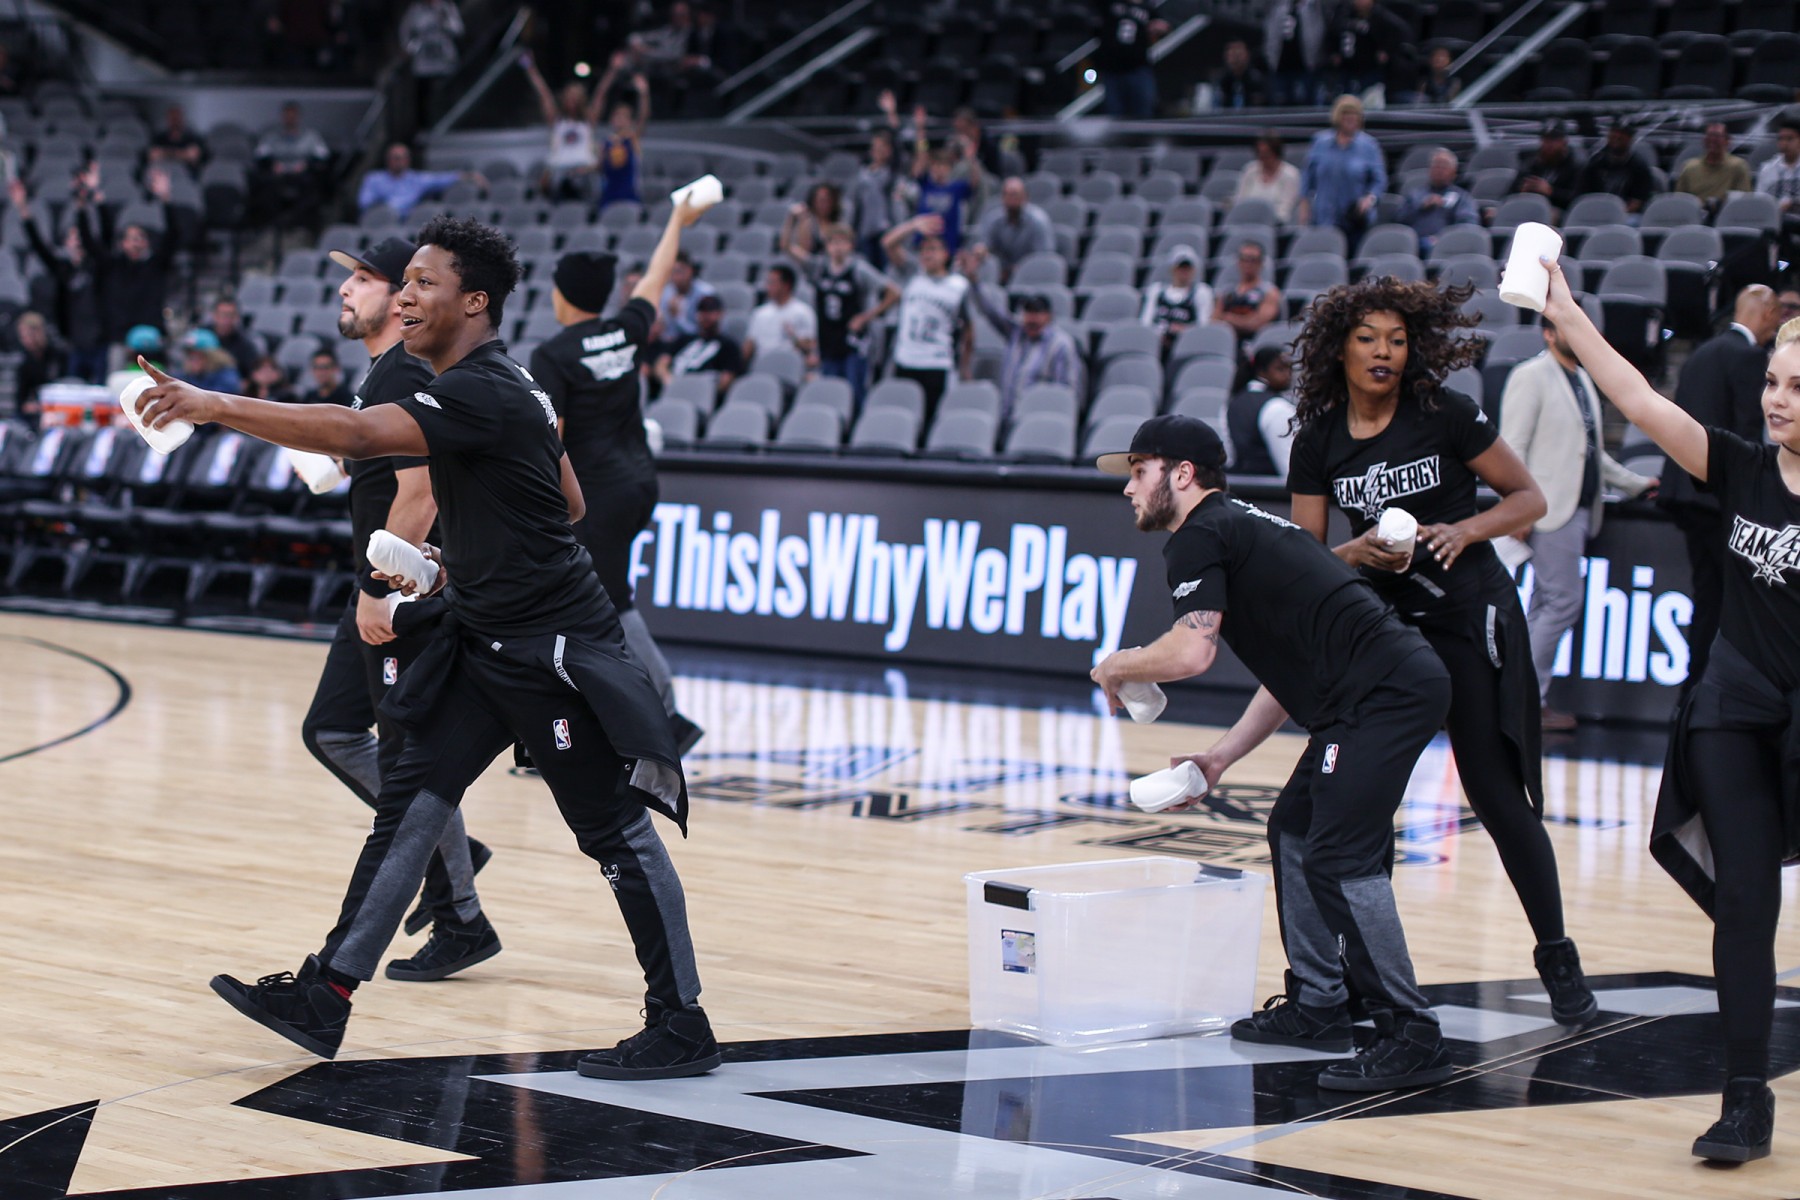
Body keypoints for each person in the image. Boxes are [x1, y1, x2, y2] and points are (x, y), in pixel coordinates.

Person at [136, 208, 718, 1079]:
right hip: (485, 638)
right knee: (409, 803)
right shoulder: (512, 385)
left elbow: (357, 434)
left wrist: (214, 404)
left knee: (613, 832)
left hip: (552, 652)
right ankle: (326, 992)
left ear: (474, 301)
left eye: (422, 283)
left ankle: (680, 1021)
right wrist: (458, 560)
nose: (405, 297)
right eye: (401, 282)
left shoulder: (482, 390)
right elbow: (566, 504)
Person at [1091, 414, 1457, 1090]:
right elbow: (1289, 674)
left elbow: (1191, 652)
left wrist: (1117, 665)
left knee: (1338, 856)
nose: (1128, 488)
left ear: (1182, 474)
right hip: (1374, 691)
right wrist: (1220, 757)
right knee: (1293, 829)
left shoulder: (1200, 535)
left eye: (1139, 472)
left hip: (1384, 693)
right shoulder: (1240, 528)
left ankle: (1411, 1030)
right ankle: (1320, 1002)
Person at [1285, 275, 1597, 1032]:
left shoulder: (1445, 413)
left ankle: (1557, 955)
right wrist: (1356, 553)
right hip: (1387, 631)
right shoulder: (1318, 440)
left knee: (1495, 794)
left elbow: (1529, 499)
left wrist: (1467, 529)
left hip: (1470, 616)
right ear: (1339, 350)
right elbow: (1306, 558)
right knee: (1358, 802)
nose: (1384, 352)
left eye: (1397, 340)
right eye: (1368, 339)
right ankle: (1355, 981)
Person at [1537, 254, 1796, 1164]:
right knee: (1746, 903)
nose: (1777, 400)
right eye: (1773, 382)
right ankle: (1745, 1099)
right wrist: (1569, 313)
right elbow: (1641, 402)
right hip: (1734, 708)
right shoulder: (1744, 466)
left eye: (1797, 389)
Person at [301, 235, 496, 978]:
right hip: (381, 588)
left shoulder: (405, 370)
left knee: (399, 763)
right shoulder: (383, 373)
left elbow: (423, 490)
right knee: (334, 731)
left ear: (398, 296)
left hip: (398, 593)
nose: (345, 290)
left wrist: (378, 589)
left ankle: (457, 907)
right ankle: (451, 860)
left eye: (362, 278)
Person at [531, 232, 708, 754]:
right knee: (579, 603)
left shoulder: (553, 354)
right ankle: (582, 725)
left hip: (597, 497)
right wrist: (678, 220)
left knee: (609, 601)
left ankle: (668, 718)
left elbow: (553, 442)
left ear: (563, 293)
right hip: (639, 482)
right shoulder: (623, 331)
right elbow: (654, 281)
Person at [1498, 317, 1658, 730]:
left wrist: (1635, 483)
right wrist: (1515, 505)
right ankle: (1526, 702)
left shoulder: (1583, 379)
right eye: (1567, 327)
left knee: (1546, 605)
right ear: (1548, 333)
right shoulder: (1531, 375)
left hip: (1580, 509)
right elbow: (1512, 448)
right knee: (1563, 601)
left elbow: (1592, 453)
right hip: (1547, 509)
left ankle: (1516, 699)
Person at [1659, 285, 1784, 702]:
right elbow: (1747, 431)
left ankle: (1692, 693)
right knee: (1732, 602)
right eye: (1776, 315)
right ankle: (1712, 693)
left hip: (1685, 491)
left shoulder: (1702, 352)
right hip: (1718, 497)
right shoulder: (1748, 356)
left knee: (1708, 597)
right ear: (1765, 314)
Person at [11, 176, 105, 383]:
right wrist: (23, 208)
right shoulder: (63, 269)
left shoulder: (98, 267)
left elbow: (97, 241)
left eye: (79, 237)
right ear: (66, 243)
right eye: (72, 237)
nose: (77, 241)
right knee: (71, 389)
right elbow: (39, 245)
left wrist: (83, 204)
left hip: (99, 343)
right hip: (74, 344)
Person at [797, 223, 899, 406]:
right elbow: (789, 249)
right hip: (828, 341)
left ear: (851, 245)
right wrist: (794, 219)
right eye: (833, 243)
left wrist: (866, 317)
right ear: (827, 246)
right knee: (830, 392)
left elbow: (894, 293)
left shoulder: (859, 269)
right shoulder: (820, 268)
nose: (837, 247)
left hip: (854, 342)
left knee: (855, 392)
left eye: (842, 242)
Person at [882, 214, 972, 418]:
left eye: (932, 249)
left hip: (936, 362)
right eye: (923, 250)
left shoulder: (959, 285)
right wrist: (913, 226)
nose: (927, 255)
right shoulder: (913, 275)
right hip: (906, 360)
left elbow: (969, 329)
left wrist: (965, 364)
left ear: (945, 254)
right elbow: (888, 244)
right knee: (903, 417)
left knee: (932, 419)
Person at [965, 275, 1085, 420]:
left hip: (1038, 418)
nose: (1031, 318)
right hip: (1008, 416)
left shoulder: (1061, 345)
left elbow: (1066, 391)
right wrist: (974, 282)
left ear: (1048, 316)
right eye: (1028, 312)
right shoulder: (1016, 333)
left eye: (1037, 313)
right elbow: (991, 312)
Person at [92, 167, 178, 348]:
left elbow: (173, 237)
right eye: (131, 238)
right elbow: (101, 240)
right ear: (122, 243)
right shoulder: (113, 266)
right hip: (118, 338)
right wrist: (98, 202)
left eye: (140, 238)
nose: (136, 243)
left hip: (150, 339)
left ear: (147, 243)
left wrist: (166, 200)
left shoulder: (156, 266)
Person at [520, 50, 605, 202]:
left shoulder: (587, 122)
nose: (572, 103)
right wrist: (531, 69)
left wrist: (613, 70)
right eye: (569, 99)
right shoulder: (557, 121)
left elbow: (600, 94)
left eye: (575, 99)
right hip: (560, 170)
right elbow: (544, 95)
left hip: (583, 169)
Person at [1299, 95, 1386, 236]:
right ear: (1337, 116)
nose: (1350, 117)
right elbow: (1307, 177)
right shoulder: (1320, 142)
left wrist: (1369, 199)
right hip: (1324, 218)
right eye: (1345, 113)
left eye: (1354, 114)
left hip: (1354, 221)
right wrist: (1304, 207)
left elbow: (1379, 181)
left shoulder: (1370, 146)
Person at [253, 101, 331, 224]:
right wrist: (272, 165)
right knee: (264, 187)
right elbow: (260, 155)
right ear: (282, 117)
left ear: (298, 117)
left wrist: (307, 165)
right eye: (287, 115)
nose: (290, 118)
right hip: (277, 175)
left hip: (302, 175)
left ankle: (301, 223)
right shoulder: (271, 136)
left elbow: (323, 156)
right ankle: (273, 224)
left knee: (313, 187)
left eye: (293, 115)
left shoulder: (311, 136)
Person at [1226, 346, 1296, 476]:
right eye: (1280, 369)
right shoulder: (1277, 407)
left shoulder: (1233, 402)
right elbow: (1289, 468)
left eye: (1289, 368)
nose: (1288, 374)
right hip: (1270, 486)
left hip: (1241, 484)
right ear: (1262, 371)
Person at [595, 53, 651, 210]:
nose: (619, 120)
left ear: (630, 121)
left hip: (629, 193)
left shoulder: (632, 139)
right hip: (609, 194)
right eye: (616, 116)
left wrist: (644, 94)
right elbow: (600, 167)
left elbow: (643, 117)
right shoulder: (605, 143)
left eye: (623, 117)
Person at [972, 177, 1053, 286]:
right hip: (1002, 273)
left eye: (1015, 194)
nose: (1011, 199)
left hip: (1030, 275)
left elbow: (1043, 257)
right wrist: (980, 251)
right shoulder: (994, 219)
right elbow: (984, 245)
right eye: (1007, 195)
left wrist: (1021, 269)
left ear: (1025, 197)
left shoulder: (1038, 221)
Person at [1398, 148, 1480, 255]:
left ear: (1454, 172)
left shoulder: (1461, 197)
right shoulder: (1415, 194)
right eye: (1436, 165)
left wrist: (1443, 238)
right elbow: (1399, 219)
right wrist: (1421, 206)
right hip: (1414, 242)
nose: (1439, 170)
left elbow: (1468, 224)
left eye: (1444, 166)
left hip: (1446, 245)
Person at [357, 143, 471, 220]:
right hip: (381, 218)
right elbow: (364, 202)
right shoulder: (374, 178)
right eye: (396, 158)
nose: (399, 161)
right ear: (388, 160)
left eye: (403, 158)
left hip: (404, 221)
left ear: (408, 160)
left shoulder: (417, 179)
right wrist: (384, 204)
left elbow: (440, 179)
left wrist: (467, 176)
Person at [654, 293, 743, 392]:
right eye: (702, 311)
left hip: (702, 393)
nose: (705, 316)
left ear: (720, 314)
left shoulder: (729, 345)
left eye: (710, 311)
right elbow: (661, 364)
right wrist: (668, 380)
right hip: (673, 388)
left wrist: (701, 392)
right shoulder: (684, 339)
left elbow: (726, 380)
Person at [1093, 0, 1166, 118]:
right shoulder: (1110, 4)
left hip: (1138, 67)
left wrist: (1159, 28)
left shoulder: (1147, 9)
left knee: (1144, 111)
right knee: (1114, 112)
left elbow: (1162, 26)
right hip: (1112, 68)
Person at [853, 105, 906, 267]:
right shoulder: (863, 173)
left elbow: (898, 144)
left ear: (889, 151)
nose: (879, 151)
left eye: (883, 147)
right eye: (876, 147)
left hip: (885, 229)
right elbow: (858, 205)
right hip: (865, 231)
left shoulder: (890, 173)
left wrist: (891, 114)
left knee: (886, 270)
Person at [911, 136, 981, 257]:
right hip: (923, 244)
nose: (940, 170)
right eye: (936, 166)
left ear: (950, 169)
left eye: (943, 166)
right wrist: (921, 135)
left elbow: (975, 182)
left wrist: (971, 157)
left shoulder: (956, 188)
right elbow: (919, 164)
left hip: (947, 247)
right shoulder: (925, 184)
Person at [1576, 117, 1658, 218]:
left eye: (1622, 134)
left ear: (1630, 139)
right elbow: (1583, 196)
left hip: (1627, 215)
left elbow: (1638, 201)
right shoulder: (1595, 164)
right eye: (1614, 132)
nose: (1617, 137)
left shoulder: (1639, 167)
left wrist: (1617, 214)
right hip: (1596, 212)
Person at [1328, 0, 1411, 99]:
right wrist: (1333, 52)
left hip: (1371, 69)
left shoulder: (1381, 16)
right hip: (1346, 69)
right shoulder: (1343, 13)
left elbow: (1398, 33)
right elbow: (1332, 33)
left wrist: (1386, 51)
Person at [1140, 246, 1214, 354]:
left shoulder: (1201, 292)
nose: (1184, 271)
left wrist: (1184, 330)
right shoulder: (1156, 291)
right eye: (1181, 267)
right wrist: (1160, 333)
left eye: (1188, 268)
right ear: (1172, 268)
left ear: (1194, 270)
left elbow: (1203, 325)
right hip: (1157, 344)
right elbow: (1145, 323)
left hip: (1187, 346)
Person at [401, 0, 463, 128]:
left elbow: (458, 30)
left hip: (445, 63)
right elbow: (405, 33)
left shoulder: (447, 8)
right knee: (424, 98)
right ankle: (424, 127)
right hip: (423, 65)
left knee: (446, 96)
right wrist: (414, 48)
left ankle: (449, 124)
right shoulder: (415, 11)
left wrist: (444, 21)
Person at [741, 264, 818, 366]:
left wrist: (794, 337)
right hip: (762, 364)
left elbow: (810, 347)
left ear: (786, 285)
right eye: (768, 282)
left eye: (772, 282)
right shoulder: (759, 313)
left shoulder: (803, 312)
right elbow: (750, 344)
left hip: (788, 365)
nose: (767, 287)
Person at [1511, 118, 1585, 218]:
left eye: (1554, 140)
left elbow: (1577, 199)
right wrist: (1522, 191)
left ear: (1564, 142)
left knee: (1550, 214)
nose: (1549, 145)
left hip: (1563, 213)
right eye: (1546, 139)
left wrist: (1551, 191)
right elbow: (1510, 192)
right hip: (1530, 207)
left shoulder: (1575, 165)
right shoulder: (1531, 164)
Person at [1213, 240, 1283, 342]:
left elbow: (1256, 323)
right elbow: (1214, 320)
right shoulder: (1227, 292)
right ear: (1238, 262)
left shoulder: (1269, 292)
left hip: (1254, 342)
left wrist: (1228, 318)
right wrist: (1241, 320)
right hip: (1226, 341)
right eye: (1244, 259)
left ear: (1260, 263)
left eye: (1252, 260)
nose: (1248, 264)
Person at [1263, 0, 1328, 107]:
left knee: (1307, 103)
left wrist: (1314, 59)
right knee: (1280, 104)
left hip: (1306, 67)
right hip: (1281, 67)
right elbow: (1270, 33)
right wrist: (1271, 59)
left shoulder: (1313, 7)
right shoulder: (1278, 7)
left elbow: (1319, 31)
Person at [1674, 122, 1751, 208]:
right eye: (1710, 136)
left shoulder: (1738, 166)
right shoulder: (1689, 167)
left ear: (1727, 141)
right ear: (1704, 141)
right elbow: (1680, 202)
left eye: (1717, 136)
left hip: (1726, 212)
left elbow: (1743, 201)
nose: (1713, 140)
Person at [1756, 118, 1800, 265]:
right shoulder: (1767, 169)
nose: (1784, 143)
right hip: (1776, 222)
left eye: (1790, 139)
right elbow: (1760, 201)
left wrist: (1792, 203)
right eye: (1781, 139)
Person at [1233, 131, 1302, 224]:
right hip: (1246, 222)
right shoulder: (1250, 171)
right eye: (1259, 154)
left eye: (1266, 154)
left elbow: (1285, 210)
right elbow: (1240, 202)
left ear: (1276, 153)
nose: (1262, 158)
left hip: (1275, 225)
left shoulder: (1290, 175)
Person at [13, 312, 64, 432]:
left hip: (60, 407)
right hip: (36, 411)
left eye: (29, 335)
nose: (26, 341)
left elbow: (66, 384)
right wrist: (34, 406)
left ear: (40, 332)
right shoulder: (24, 361)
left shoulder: (58, 355)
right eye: (22, 337)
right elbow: (21, 399)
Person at [654, 251, 715, 344]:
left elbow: (703, 332)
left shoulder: (705, 294)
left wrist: (677, 317)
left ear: (690, 270)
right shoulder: (665, 293)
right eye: (672, 272)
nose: (676, 277)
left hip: (697, 343)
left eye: (679, 272)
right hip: (669, 345)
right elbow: (664, 331)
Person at [779, 183, 843, 264]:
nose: (823, 205)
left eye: (827, 200)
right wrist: (793, 218)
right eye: (820, 200)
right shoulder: (807, 222)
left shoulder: (839, 224)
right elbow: (800, 251)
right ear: (813, 201)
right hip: (813, 264)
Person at [205, 298, 264, 380]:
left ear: (237, 318)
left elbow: (252, 376)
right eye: (222, 315)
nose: (226, 319)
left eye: (231, 315)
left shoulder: (245, 345)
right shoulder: (201, 335)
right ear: (214, 316)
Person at [179, 329, 243, 394]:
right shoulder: (186, 376)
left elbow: (220, 395)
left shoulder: (226, 376)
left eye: (199, 356)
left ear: (212, 357)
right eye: (191, 356)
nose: (194, 361)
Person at [1212, 38, 1267, 110]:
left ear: (1247, 55)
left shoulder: (1257, 79)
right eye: (1232, 53)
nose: (1236, 57)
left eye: (1239, 52)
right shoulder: (1221, 80)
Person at [147, 104, 205, 170]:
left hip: (186, 173)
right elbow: (153, 155)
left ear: (182, 119)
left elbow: (194, 156)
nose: (175, 121)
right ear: (167, 120)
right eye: (172, 118)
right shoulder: (159, 138)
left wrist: (165, 153)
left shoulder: (192, 138)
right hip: (164, 171)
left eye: (177, 118)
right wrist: (183, 154)